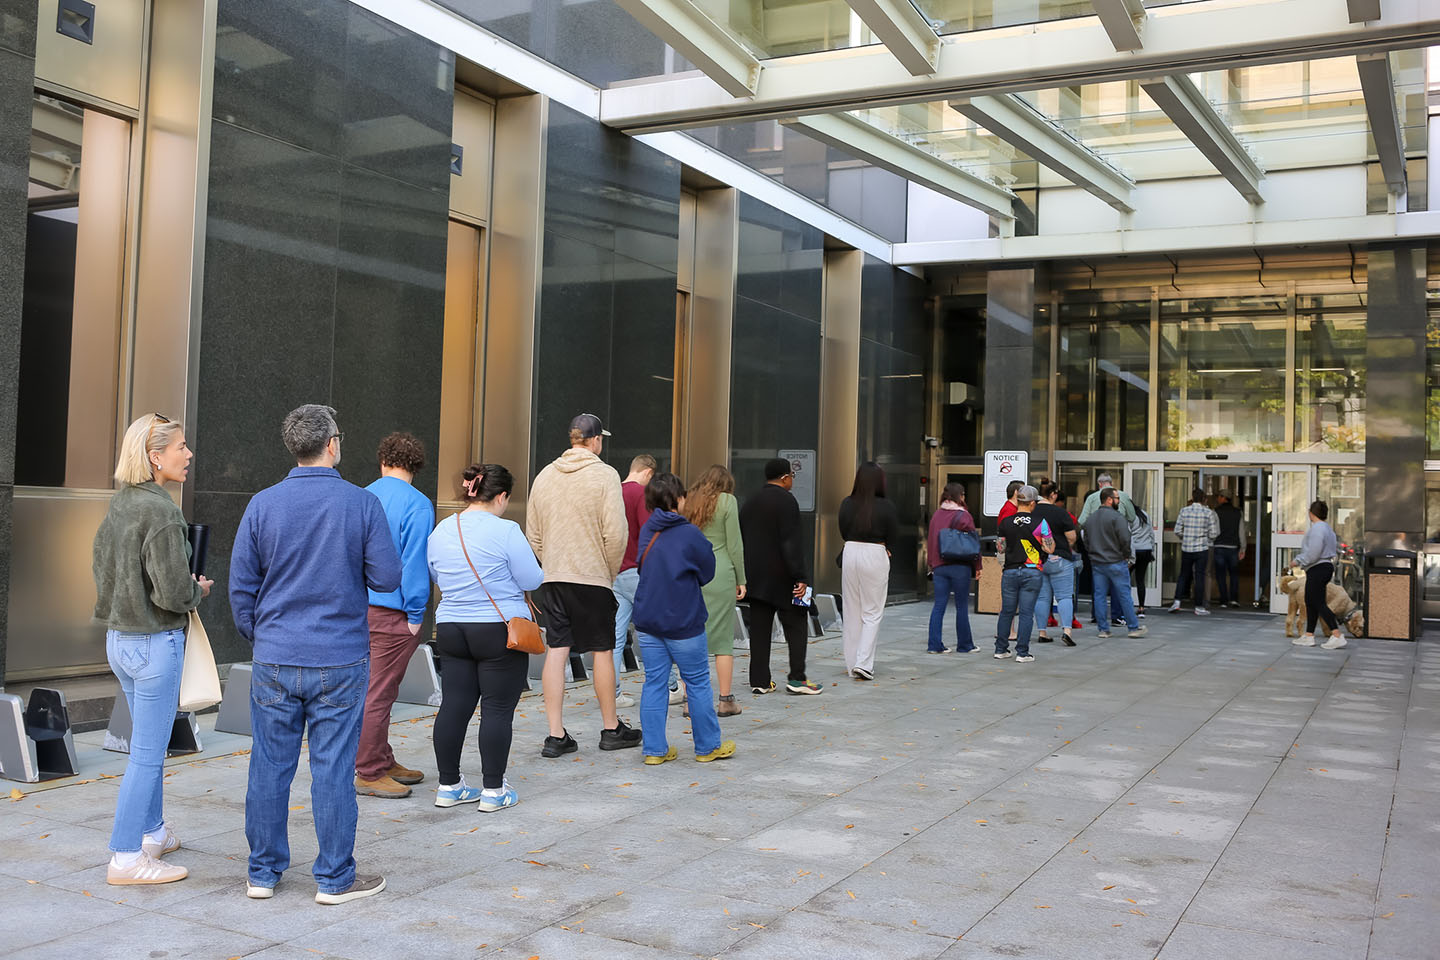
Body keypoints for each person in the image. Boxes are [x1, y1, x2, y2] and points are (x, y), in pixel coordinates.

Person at [231, 404, 401, 905]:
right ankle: (334, 877)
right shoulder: (361, 504)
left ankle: (262, 874)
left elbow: (242, 585)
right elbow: (387, 578)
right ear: (332, 444)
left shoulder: (262, 504)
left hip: (275, 655)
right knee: (332, 768)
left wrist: (259, 636)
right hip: (339, 657)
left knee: (268, 766)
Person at [92, 413, 213, 886]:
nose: (188, 454)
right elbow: (170, 594)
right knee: (147, 752)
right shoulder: (162, 511)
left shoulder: (122, 504)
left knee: (149, 746)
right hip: (153, 642)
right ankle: (125, 857)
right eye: (181, 446)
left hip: (119, 640)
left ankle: (153, 832)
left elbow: (105, 571)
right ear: (154, 456)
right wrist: (197, 590)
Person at [426, 463, 542, 811]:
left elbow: (435, 573)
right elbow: (531, 579)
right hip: (497, 629)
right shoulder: (506, 530)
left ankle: (449, 786)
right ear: (501, 496)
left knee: (454, 706)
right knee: (496, 709)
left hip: (450, 627)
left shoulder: (442, 530)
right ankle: (493, 790)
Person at [527, 413, 640, 757]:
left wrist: (551, 563)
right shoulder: (605, 475)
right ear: (595, 441)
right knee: (603, 649)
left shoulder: (545, 475)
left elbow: (533, 532)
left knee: (557, 649)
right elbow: (616, 533)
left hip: (555, 576)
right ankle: (610, 728)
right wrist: (605, 572)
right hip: (593, 576)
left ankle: (555, 734)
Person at [633, 473, 735, 763]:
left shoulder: (647, 531)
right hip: (684, 621)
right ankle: (707, 747)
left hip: (649, 620)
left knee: (654, 682)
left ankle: (654, 750)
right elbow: (707, 572)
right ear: (679, 499)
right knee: (698, 682)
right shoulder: (690, 534)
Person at [355, 432, 435, 800]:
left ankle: (381, 759)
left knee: (369, 688)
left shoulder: (360, 496)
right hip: (394, 610)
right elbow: (414, 562)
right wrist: (417, 614)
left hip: (357, 608)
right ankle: (370, 770)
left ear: (382, 460)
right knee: (380, 691)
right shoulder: (417, 504)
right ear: (416, 466)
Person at [739, 458, 822, 695]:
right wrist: (801, 576)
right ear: (785, 477)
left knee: (760, 630)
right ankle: (797, 679)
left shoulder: (750, 501)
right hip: (785, 578)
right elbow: (791, 542)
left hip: (756, 577)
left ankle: (760, 681)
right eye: (791, 477)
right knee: (796, 626)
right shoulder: (787, 501)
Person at [683, 465, 747, 716]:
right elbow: (735, 544)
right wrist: (741, 578)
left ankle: (690, 701)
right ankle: (725, 700)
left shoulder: (690, 499)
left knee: (691, 636)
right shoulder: (728, 501)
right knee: (722, 642)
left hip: (692, 572)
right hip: (720, 573)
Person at [838, 462, 898, 680]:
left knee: (852, 610)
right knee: (872, 612)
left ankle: (852, 662)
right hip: (876, 552)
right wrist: (887, 547)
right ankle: (863, 663)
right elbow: (894, 533)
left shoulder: (847, 503)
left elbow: (843, 529)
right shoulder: (887, 506)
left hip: (850, 550)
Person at [611, 454, 657, 708]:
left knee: (616, 638)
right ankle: (671, 686)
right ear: (648, 472)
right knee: (654, 632)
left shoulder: (614, 491)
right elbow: (648, 534)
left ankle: (613, 692)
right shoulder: (641, 495)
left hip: (615, 571)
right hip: (637, 572)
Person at [994, 485, 1047, 662]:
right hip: (1032, 571)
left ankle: (1001, 649)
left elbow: (1000, 548)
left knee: (1007, 612)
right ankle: (1022, 653)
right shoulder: (1040, 523)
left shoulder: (1006, 522)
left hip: (1010, 571)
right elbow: (1050, 546)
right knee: (1026, 613)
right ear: (1032, 503)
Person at [1084, 486, 1145, 639]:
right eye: (1117, 498)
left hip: (1098, 562)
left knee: (1099, 596)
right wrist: (1126, 555)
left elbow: (1086, 540)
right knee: (1124, 594)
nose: (1119, 501)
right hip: (1116, 561)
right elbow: (1125, 539)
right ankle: (1133, 627)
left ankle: (1103, 629)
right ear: (1110, 500)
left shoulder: (1091, 518)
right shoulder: (1117, 518)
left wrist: (1093, 553)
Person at [925, 483, 979, 654]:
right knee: (961, 606)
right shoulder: (964, 516)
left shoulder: (937, 515)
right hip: (960, 566)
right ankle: (965, 645)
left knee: (939, 605)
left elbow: (931, 541)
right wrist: (977, 566)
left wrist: (931, 563)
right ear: (960, 496)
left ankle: (934, 645)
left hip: (940, 566)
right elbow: (972, 543)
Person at [1291, 499, 1347, 649]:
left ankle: (1336, 634)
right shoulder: (1328, 529)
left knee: (1317, 602)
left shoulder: (1317, 529)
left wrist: (1298, 560)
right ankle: (1309, 635)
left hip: (1318, 567)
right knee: (1311, 601)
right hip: (1324, 567)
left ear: (1311, 514)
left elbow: (1314, 552)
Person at [1032, 480, 1078, 647]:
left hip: (1038, 559)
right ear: (1053, 495)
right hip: (1060, 558)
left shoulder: (1032, 511)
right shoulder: (1061, 513)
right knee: (1064, 596)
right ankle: (1066, 631)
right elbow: (1072, 536)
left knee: (1042, 597)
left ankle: (1042, 632)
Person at [1170, 488, 1218, 616]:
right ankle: (1198, 606)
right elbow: (1214, 533)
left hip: (1187, 548)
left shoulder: (1184, 511)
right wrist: (1205, 538)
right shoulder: (1208, 513)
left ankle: (1177, 602)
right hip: (1202, 549)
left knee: (1183, 575)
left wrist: (1185, 537)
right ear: (1203, 499)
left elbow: (1177, 530)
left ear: (1193, 497)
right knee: (1200, 576)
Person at [1212, 491, 1247, 609]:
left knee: (1221, 575)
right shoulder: (1238, 512)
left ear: (1223, 498)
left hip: (1219, 547)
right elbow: (1241, 531)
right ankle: (1234, 599)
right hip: (1233, 548)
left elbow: (1214, 530)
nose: (1217, 499)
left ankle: (1223, 600)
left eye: (1219, 497)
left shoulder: (1215, 512)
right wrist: (1243, 548)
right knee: (1234, 574)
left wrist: (1212, 541)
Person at [1130, 506, 1156, 619]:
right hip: (1145, 550)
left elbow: (1127, 535)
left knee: (1125, 579)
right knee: (1140, 579)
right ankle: (1141, 608)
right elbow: (1151, 533)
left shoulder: (1129, 517)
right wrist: (1152, 549)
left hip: (1134, 550)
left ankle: (1125, 607)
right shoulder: (1144, 514)